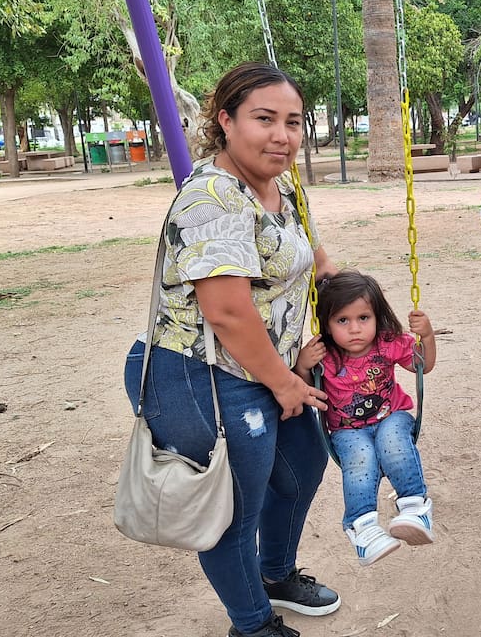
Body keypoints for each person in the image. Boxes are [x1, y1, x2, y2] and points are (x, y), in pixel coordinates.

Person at [123, 62, 342, 637]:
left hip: (273, 367)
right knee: (232, 511)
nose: (283, 136)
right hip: (200, 374)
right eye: (264, 119)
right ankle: (252, 623)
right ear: (226, 120)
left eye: (293, 122)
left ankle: (274, 574)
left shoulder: (282, 183)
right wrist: (284, 382)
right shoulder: (212, 199)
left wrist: (366, 317)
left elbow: (316, 260)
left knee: (303, 466)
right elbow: (226, 311)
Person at [295, 270, 438, 566]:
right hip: (348, 430)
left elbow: (421, 365)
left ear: (377, 316)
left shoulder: (388, 343)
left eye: (363, 318)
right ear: (327, 324)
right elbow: (307, 388)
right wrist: (304, 366)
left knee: (393, 441)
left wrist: (427, 335)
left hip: (391, 416)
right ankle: (363, 528)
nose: (355, 329)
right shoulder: (325, 355)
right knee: (360, 460)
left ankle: (414, 506)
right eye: (342, 321)